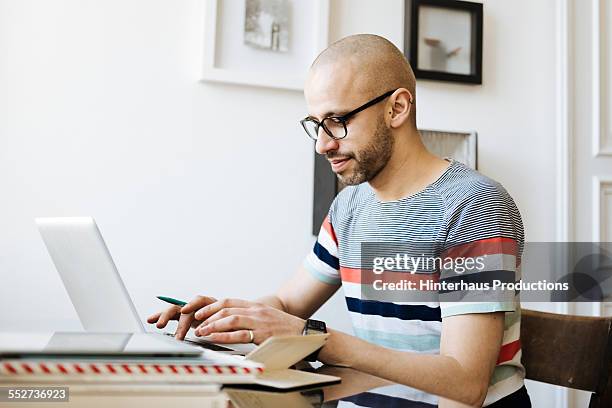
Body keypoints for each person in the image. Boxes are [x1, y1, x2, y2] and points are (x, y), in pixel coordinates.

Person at [148, 34, 531, 407]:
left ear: (397, 108)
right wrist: (224, 318)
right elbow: (287, 303)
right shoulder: (349, 207)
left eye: (337, 120)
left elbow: (467, 382)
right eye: (316, 124)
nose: (322, 143)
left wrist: (316, 337)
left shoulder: (475, 207)